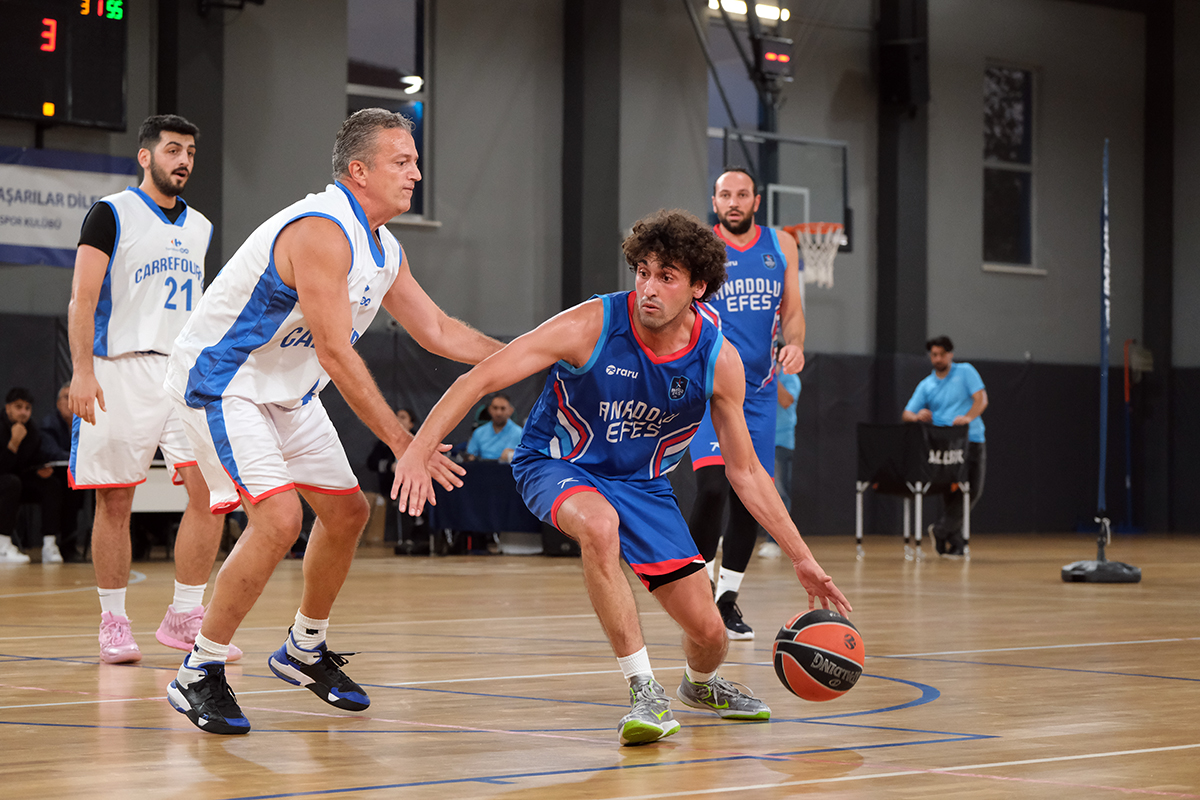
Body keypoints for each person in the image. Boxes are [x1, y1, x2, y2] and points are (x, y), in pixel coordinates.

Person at [393, 209, 850, 747]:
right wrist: (417, 449)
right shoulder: (590, 325)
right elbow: (479, 379)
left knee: (710, 634)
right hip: (557, 464)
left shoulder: (717, 360)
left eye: (667, 277)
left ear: (698, 288)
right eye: (643, 272)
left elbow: (746, 472)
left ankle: (700, 686)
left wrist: (802, 557)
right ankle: (644, 691)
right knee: (599, 525)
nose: (649, 288)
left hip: (642, 486)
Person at [162, 108, 504, 735]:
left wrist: (531, 354)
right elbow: (335, 354)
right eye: (402, 162)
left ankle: (304, 647)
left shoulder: (385, 247)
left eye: (415, 162)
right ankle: (199, 669)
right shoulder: (321, 230)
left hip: (286, 392)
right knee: (278, 519)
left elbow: (437, 330)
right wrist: (405, 443)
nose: (416, 173)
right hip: (223, 382)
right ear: (359, 170)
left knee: (347, 514)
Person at [68, 114, 237, 665]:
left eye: (189, 151)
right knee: (116, 497)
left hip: (182, 373)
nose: (183, 160)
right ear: (145, 156)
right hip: (118, 368)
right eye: (172, 149)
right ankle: (113, 622)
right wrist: (82, 370)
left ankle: (184, 615)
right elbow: (82, 298)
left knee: (211, 493)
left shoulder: (201, 227)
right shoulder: (111, 213)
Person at [687, 167, 806, 640]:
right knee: (713, 487)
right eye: (725, 195)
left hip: (759, 392)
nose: (733, 202)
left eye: (742, 194)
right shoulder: (700, 246)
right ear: (715, 201)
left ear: (756, 200)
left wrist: (795, 344)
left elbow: (792, 312)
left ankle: (726, 599)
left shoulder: (783, 245)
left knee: (750, 498)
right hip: (709, 387)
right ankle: (696, 594)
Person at [902, 335, 988, 556]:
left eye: (941, 354)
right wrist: (917, 416)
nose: (938, 358)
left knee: (973, 489)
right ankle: (952, 542)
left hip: (972, 440)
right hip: (944, 444)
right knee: (951, 491)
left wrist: (968, 418)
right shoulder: (927, 384)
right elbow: (907, 413)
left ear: (950, 354)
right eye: (934, 355)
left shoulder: (966, 372)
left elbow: (981, 399)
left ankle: (942, 531)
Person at [0, 388, 55, 564]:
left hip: (17, 483)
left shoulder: (32, 429)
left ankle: (50, 545)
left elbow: (30, 461)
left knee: (51, 484)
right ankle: (2, 545)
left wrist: (40, 468)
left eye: (27, 408)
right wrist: (13, 444)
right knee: (11, 482)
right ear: (8, 408)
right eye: (18, 407)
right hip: (6, 481)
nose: (24, 412)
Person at [38, 382, 87, 562]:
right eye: (67, 397)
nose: (71, 401)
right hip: (52, 476)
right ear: (58, 402)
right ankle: (62, 544)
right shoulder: (49, 424)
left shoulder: (86, 423)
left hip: (80, 475)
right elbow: (52, 452)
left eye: (74, 396)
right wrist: (82, 456)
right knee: (65, 488)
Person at [366, 407, 428, 550]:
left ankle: (421, 532)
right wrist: (390, 466)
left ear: (411, 424)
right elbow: (371, 463)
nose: (398, 420)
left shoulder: (418, 441)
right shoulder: (385, 441)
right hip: (392, 485)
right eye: (396, 417)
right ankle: (414, 532)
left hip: (416, 483)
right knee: (405, 497)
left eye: (403, 417)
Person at [757, 368, 801, 560]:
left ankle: (774, 542)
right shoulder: (756, 374)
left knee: (779, 492)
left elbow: (786, 400)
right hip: (756, 440)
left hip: (780, 443)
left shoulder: (790, 378)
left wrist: (771, 374)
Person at [465, 393, 522, 463]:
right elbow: (470, 456)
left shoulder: (519, 432)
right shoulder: (478, 432)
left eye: (503, 408)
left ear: (510, 411)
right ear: (489, 410)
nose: (498, 413)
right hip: (482, 467)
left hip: (507, 468)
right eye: (495, 408)